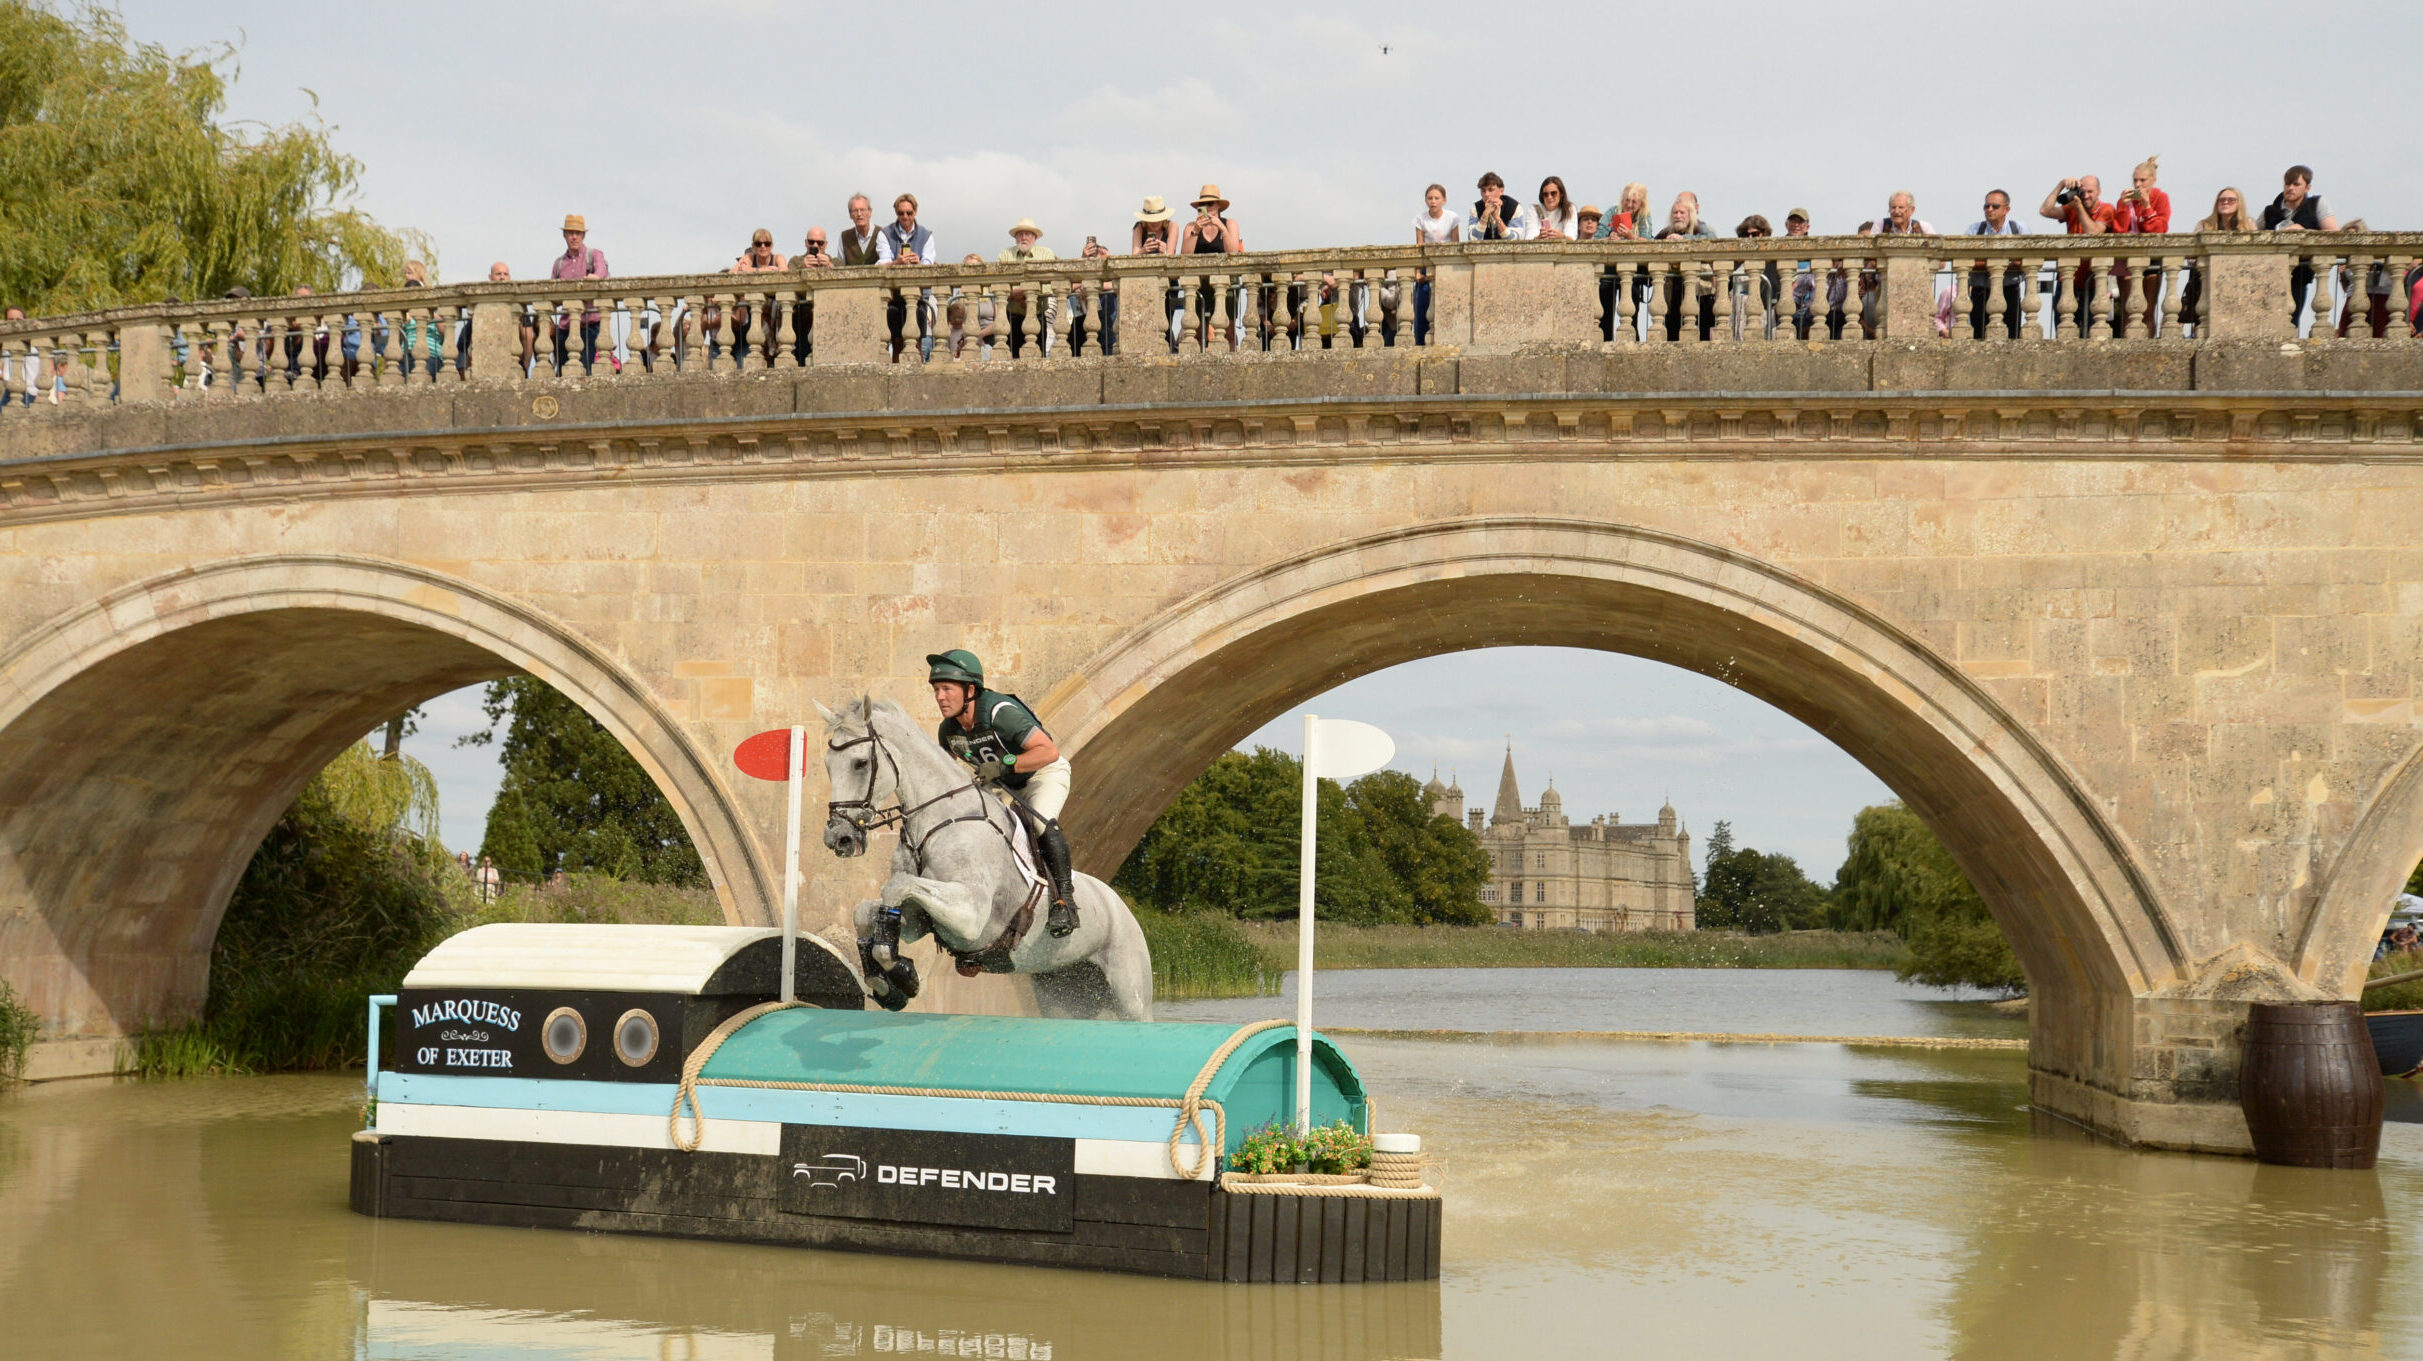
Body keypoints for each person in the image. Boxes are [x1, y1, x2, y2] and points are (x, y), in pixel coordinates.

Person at [927, 649, 1078, 938]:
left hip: (1041, 774)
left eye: (947, 689)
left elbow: (1048, 751)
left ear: (970, 690)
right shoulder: (947, 731)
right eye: (936, 689)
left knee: (1040, 822)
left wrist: (1004, 764)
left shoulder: (1000, 712)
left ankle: (1065, 902)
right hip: (1002, 785)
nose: (940, 697)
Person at [2263, 165, 2340, 327]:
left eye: (2296, 184)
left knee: (2291, 323)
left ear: (2307, 187)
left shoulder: (2317, 204)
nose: (2290, 188)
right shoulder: (2270, 211)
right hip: (2270, 276)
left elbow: (2335, 234)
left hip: (2299, 275)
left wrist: (2304, 232)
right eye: (2287, 184)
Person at [2039, 177, 2117, 333]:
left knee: (2091, 333)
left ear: (2099, 192)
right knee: (2064, 331)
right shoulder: (2072, 208)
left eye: (2090, 192)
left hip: (2094, 282)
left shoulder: (2106, 208)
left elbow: (2094, 233)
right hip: (2068, 279)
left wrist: (2079, 208)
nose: (2086, 195)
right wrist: (2060, 185)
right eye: (2083, 191)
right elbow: (2045, 211)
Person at [1176, 185, 1243, 350]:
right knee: (1197, 332)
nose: (1206, 208)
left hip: (1225, 283)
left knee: (1228, 330)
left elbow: (1233, 252)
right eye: (1203, 205)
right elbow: (1185, 256)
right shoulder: (1191, 226)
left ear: (1219, 206)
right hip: (1199, 283)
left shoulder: (1230, 223)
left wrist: (1221, 227)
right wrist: (1196, 231)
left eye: (1210, 204)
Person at [2111, 156, 2172, 335]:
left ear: (2153, 180)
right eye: (2135, 180)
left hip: (2151, 258)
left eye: (2142, 180)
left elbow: (2158, 230)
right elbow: (2119, 231)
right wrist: (2122, 207)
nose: (2138, 185)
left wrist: (2146, 206)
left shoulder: (2160, 198)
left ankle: (2148, 344)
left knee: (2147, 310)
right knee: (2128, 310)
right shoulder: (2125, 200)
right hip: (2127, 260)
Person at [879, 194, 938, 361]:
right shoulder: (885, 233)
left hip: (918, 297)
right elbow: (881, 264)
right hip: (893, 297)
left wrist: (917, 263)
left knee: (916, 342)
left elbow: (929, 265)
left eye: (909, 213)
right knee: (896, 342)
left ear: (915, 212)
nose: (905, 217)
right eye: (901, 213)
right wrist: (897, 262)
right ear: (896, 213)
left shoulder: (926, 235)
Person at [1966, 190, 2029, 339]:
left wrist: (1987, 262)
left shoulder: (2018, 229)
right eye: (1986, 206)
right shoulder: (1974, 230)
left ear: (2006, 209)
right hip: (1981, 291)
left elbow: (2027, 259)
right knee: (1979, 337)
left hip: (2009, 290)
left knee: (2011, 337)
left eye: (1995, 206)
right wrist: (2007, 261)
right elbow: (1967, 261)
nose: (1989, 210)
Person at [550, 213, 609, 372]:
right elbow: (551, 292)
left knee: (586, 372)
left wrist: (594, 277)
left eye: (578, 233)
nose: (574, 237)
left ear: (583, 235)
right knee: (563, 374)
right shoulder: (560, 263)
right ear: (565, 235)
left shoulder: (594, 255)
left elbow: (602, 271)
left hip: (590, 325)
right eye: (570, 233)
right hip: (565, 327)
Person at [1656, 192, 1717, 340]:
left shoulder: (1700, 227)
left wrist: (1683, 239)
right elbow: (1652, 246)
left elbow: (1711, 240)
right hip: (1673, 291)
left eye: (1682, 212)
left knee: (1701, 334)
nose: (1678, 216)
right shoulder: (1666, 232)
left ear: (1690, 214)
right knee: (1673, 333)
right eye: (1675, 212)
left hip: (1701, 291)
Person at [997, 217, 1057, 358]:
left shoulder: (1046, 254)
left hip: (1037, 316)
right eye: (1020, 234)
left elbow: (1049, 286)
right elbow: (1000, 284)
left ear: (1034, 237)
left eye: (1028, 234)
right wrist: (1024, 293)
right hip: (1011, 318)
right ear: (1015, 237)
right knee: (1011, 361)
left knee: (1038, 360)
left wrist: (1026, 295)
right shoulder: (1005, 254)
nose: (1024, 237)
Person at [1413, 184, 1459, 344]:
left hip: (1445, 265)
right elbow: (1419, 246)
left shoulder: (1452, 217)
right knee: (1422, 307)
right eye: (1430, 198)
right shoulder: (1420, 218)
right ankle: (1420, 342)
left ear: (1444, 200)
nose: (1433, 201)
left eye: (1436, 198)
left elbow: (1455, 244)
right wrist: (1418, 271)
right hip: (1427, 265)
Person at [1466, 172, 1530, 242]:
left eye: (1491, 190)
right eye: (1483, 191)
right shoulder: (1475, 208)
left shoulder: (1514, 207)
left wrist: (1497, 218)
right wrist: (1485, 215)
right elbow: (1473, 239)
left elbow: (1514, 240)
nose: (1486, 194)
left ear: (1501, 191)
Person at [838, 193, 883, 265]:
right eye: (855, 211)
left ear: (870, 212)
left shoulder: (882, 234)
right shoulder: (844, 237)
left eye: (862, 210)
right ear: (850, 215)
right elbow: (840, 266)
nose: (859, 214)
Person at [1532, 176, 1577, 242]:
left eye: (1553, 193)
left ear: (1561, 194)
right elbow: (1529, 238)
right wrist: (1539, 237)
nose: (1549, 197)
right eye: (1545, 194)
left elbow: (1572, 238)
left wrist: (1561, 236)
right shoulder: (1535, 209)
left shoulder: (1569, 209)